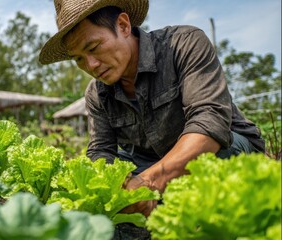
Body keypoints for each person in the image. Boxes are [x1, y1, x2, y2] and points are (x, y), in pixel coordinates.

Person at [39, 0, 265, 218]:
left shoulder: (183, 44)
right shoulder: (96, 93)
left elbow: (209, 124)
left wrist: (147, 183)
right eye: (78, 59)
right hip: (149, 162)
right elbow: (101, 152)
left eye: (94, 47)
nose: (91, 65)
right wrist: (121, 183)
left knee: (216, 157)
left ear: (123, 26)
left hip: (229, 146)